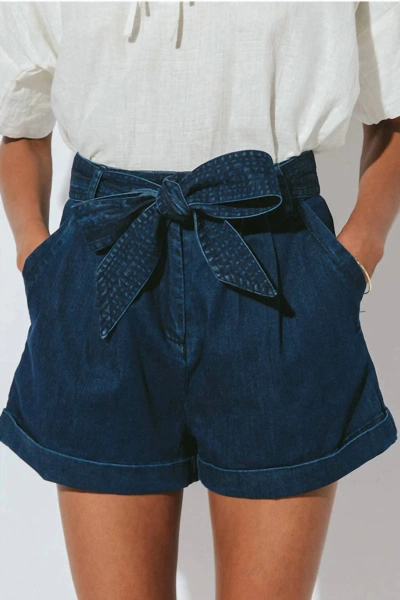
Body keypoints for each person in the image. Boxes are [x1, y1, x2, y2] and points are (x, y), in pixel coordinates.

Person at [0, 2, 399, 599]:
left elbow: (393, 102)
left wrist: (361, 248)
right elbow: (18, 112)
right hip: (108, 257)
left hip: (275, 257)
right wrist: (35, 254)